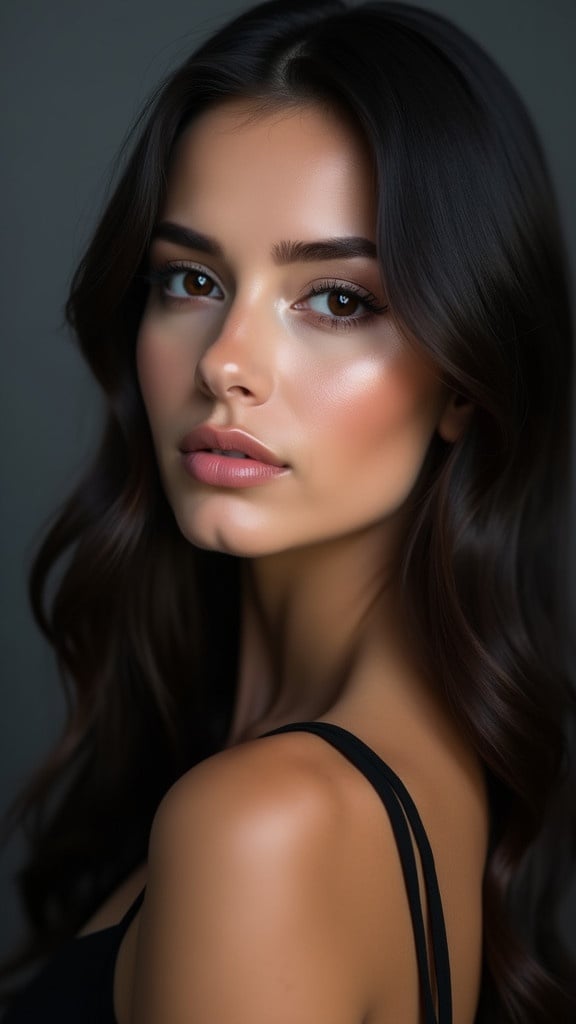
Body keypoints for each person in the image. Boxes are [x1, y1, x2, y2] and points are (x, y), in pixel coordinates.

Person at [1, 0, 575, 1021]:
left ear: (464, 384)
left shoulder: (262, 827)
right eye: (189, 278)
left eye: (337, 300)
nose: (225, 362)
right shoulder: (429, 777)